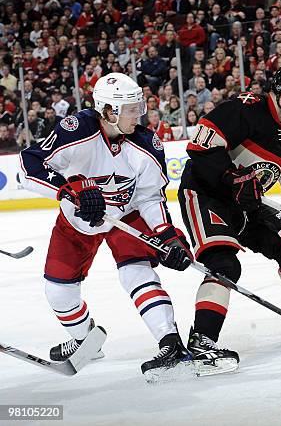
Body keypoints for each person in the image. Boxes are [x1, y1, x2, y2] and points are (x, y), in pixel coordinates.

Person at [19, 73, 195, 380]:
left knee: (136, 272)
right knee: (58, 292)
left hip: (124, 217)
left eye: (139, 106)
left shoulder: (146, 144)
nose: (139, 114)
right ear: (108, 111)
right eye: (131, 109)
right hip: (76, 222)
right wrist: (68, 191)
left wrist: (168, 237)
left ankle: (170, 342)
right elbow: (29, 166)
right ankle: (85, 339)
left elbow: (150, 197)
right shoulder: (76, 131)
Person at [178, 62, 281, 368]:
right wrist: (231, 178)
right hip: (206, 195)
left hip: (248, 201)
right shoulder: (244, 110)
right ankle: (202, 341)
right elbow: (201, 149)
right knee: (223, 264)